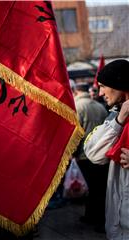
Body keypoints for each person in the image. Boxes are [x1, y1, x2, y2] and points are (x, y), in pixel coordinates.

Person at [84, 59, 129, 240]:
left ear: (120, 84)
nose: (100, 92)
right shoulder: (115, 115)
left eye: (103, 86)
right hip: (117, 223)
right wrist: (120, 119)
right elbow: (93, 153)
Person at [72, 82, 108, 232]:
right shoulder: (100, 107)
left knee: (92, 189)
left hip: (84, 154)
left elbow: (75, 135)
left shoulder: (77, 107)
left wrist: (72, 153)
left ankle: (96, 218)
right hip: (103, 154)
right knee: (99, 188)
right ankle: (93, 216)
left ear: (75, 91)